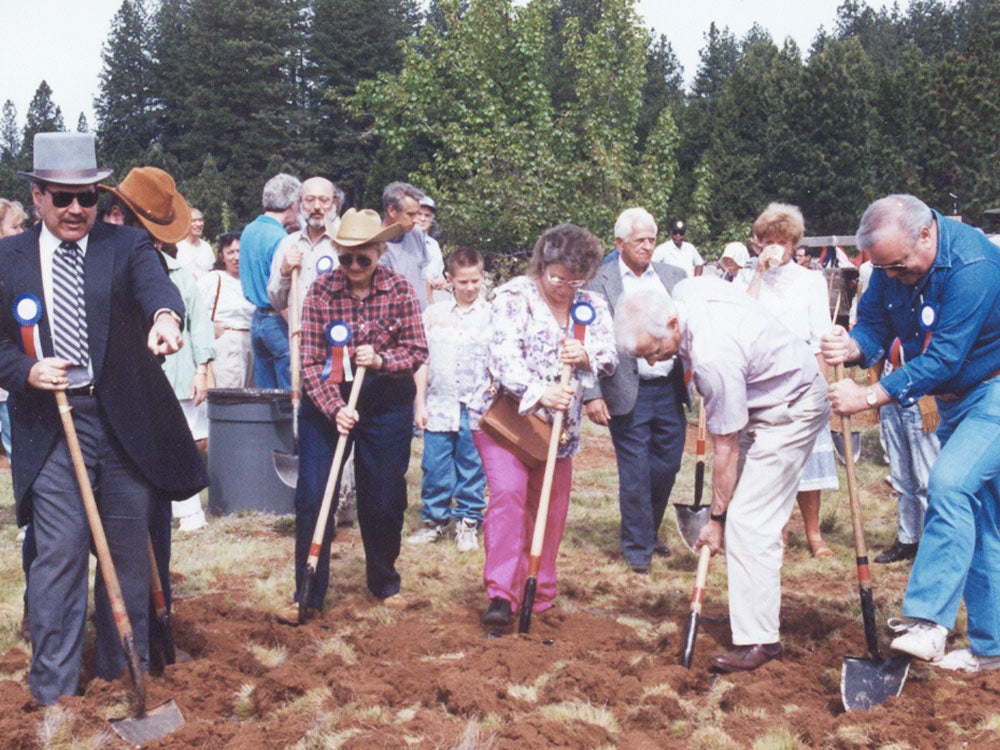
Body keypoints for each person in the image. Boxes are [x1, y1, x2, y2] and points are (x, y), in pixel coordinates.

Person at [0, 132, 206, 704]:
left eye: (86, 198)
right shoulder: (6, 258)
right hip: (51, 425)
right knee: (59, 554)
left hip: (122, 424)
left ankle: (122, 683)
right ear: (37, 197)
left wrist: (165, 318)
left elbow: (155, 287)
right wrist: (24, 372)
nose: (75, 210)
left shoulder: (126, 247)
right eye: (61, 198)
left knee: (126, 556)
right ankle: (53, 694)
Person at [821, 194, 1000, 673]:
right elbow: (876, 326)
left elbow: (944, 358)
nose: (893, 276)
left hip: (994, 390)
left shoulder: (974, 262)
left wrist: (870, 395)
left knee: (948, 484)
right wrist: (852, 345)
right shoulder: (889, 263)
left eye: (899, 266)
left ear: (927, 234)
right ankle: (991, 648)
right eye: (885, 269)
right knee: (979, 521)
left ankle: (927, 620)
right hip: (956, 400)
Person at [616, 278, 829, 672]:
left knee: (748, 522)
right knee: (745, 520)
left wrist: (715, 519)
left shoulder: (713, 356)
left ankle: (762, 641)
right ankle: (747, 614)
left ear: (673, 324)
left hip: (792, 407)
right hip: (762, 398)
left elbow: (726, 449)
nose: (653, 362)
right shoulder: (684, 293)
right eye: (645, 356)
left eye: (657, 351)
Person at [277, 208, 427, 622]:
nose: (355, 266)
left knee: (382, 498)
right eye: (347, 258)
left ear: (380, 252)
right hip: (328, 402)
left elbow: (416, 351)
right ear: (337, 253)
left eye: (364, 258)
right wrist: (335, 408)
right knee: (312, 494)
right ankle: (307, 592)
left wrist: (380, 359)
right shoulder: (321, 292)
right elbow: (309, 362)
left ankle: (384, 581)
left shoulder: (401, 290)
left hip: (386, 401)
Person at [470, 224, 617, 628]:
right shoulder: (514, 296)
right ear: (542, 264)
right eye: (558, 277)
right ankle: (501, 594)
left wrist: (587, 354)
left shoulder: (590, 303)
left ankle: (539, 593)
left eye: (576, 280)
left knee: (550, 510)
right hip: (507, 420)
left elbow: (609, 354)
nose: (566, 287)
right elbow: (502, 358)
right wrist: (540, 392)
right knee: (509, 495)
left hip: (559, 430)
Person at [99, 167, 215, 535]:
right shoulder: (92, 264)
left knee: (152, 505)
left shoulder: (170, 269)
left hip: (154, 393)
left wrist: (170, 322)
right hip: (104, 404)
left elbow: (178, 307)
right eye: (147, 235)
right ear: (116, 216)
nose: (152, 247)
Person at [583, 208, 687, 574]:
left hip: (671, 388)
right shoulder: (600, 281)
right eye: (639, 240)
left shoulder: (675, 277)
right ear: (619, 242)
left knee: (668, 464)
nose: (647, 246)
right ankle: (638, 547)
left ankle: (648, 528)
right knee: (635, 471)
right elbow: (585, 337)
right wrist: (591, 393)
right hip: (627, 389)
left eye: (651, 239)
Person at [748, 203, 838, 559]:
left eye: (782, 241)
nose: (775, 247)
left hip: (802, 373)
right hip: (763, 377)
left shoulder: (811, 280)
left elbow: (819, 336)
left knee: (808, 455)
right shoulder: (746, 278)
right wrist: (757, 272)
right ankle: (778, 530)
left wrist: (822, 385)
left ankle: (814, 534)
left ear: (794, 243)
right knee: (771, 456)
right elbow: (742, 317)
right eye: (768, 240)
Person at [408, 248, 490, 551]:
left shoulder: (492, 316)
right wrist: (420, 402)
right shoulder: (433, 315)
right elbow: (422, 361)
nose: (469, 288)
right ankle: (435, 520)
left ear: (482, 277)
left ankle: (469, 520)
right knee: (434, 466)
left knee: (472, 465)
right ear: (449, 280)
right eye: (463, 282)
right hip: (439, 404)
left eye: (475, 281)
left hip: (477, 406)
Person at [241, 173, 302, 388]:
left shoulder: (249, 230)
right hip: (278, 320)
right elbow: (281, 290)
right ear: (293, 206)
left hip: (257, 320)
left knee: (265, 395)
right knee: (289, 394)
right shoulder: (281, 239)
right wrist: (297, 330)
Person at [267, 176, 342, 319]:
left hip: (336, 336)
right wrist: (284, 272)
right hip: (298, 337)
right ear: (299, 203)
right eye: (309, 199)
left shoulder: (345, 243)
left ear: (335, 204)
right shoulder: (288, 243)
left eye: (324, 200)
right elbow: (276, 303)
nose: (317, 207)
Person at [200, 232, 254, 388]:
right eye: (230, 252)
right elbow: (192, 309)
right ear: (222, 256)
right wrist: (209, 326)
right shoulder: (214, 278)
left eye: (240, 252)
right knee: (230, 395)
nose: (236, 257)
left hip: (251, 344)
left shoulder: (250, 279)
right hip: (228, 345)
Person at [379, 182, 432, 311]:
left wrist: (431, 307)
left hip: (421, 317)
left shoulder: (416, 234)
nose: (416, 220)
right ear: (391, 210)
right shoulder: (376, 245)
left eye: (417, 214)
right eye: (410, 214)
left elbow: (422, 277)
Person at [415, 195, 449, 304]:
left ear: (432, 219)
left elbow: (439, 274)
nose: (423, 219)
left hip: (430, 302)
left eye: (427, 215)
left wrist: (441, 281)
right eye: (419, 214)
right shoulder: (401, 242)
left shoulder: (433, 245)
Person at [175, 207, 215, 279]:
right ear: (186, 222)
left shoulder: (206, 247)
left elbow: (212, 273)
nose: (198, 224)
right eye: (194, 221)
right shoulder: (177, 246)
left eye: (200, 220)